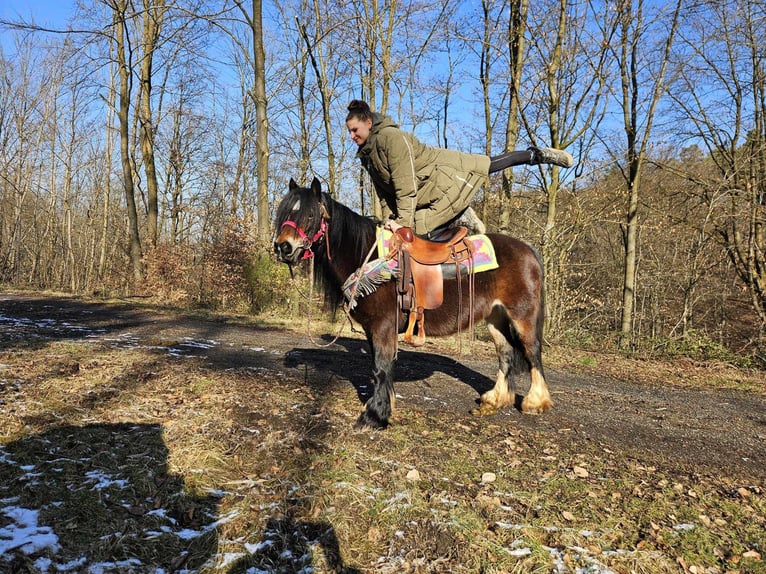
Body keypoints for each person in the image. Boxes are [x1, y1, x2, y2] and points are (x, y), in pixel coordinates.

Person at [345, 99, 573, 237]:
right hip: (426, 193)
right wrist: (388, 220)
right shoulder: (367, 153)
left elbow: (405, 186)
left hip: (442, 173)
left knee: (491, 164)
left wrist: (402, 223)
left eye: (355, 130)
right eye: (349, 132)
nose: (352, 136)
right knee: (420, 231)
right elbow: (384, 193)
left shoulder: (391, 138)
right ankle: (461, 214)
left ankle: (538, 154)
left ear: (368, 123)